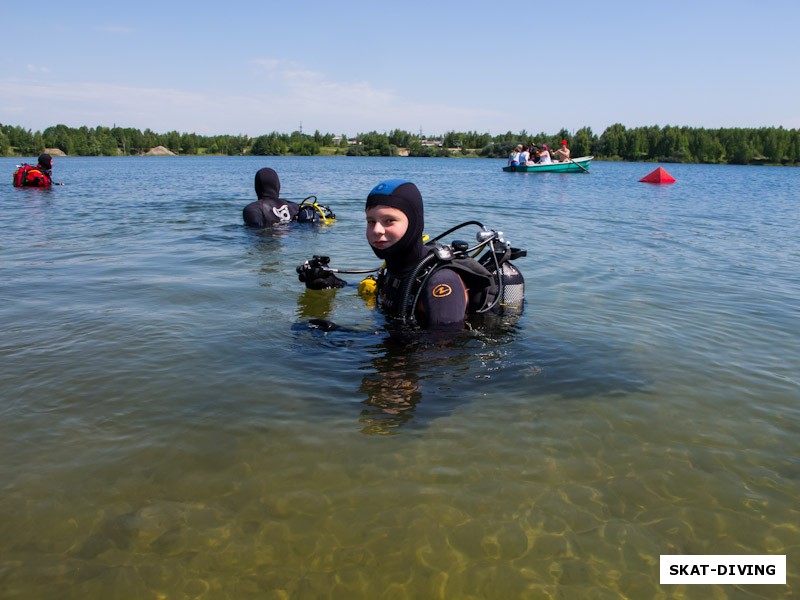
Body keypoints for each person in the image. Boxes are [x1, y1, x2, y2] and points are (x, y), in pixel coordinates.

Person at [298, 180, 525, 332]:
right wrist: (333, 284)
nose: (377, 230)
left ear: (414, 223)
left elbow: (441, 353)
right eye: (371, 221)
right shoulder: (397, 266)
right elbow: (395, 291)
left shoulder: (440, 282)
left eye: (389, 221)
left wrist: (341, 335)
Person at [242, 167, 334, 227]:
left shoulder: (252, 209)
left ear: (257, 187)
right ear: (277, 185)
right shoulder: (293, 206)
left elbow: (255, 231)